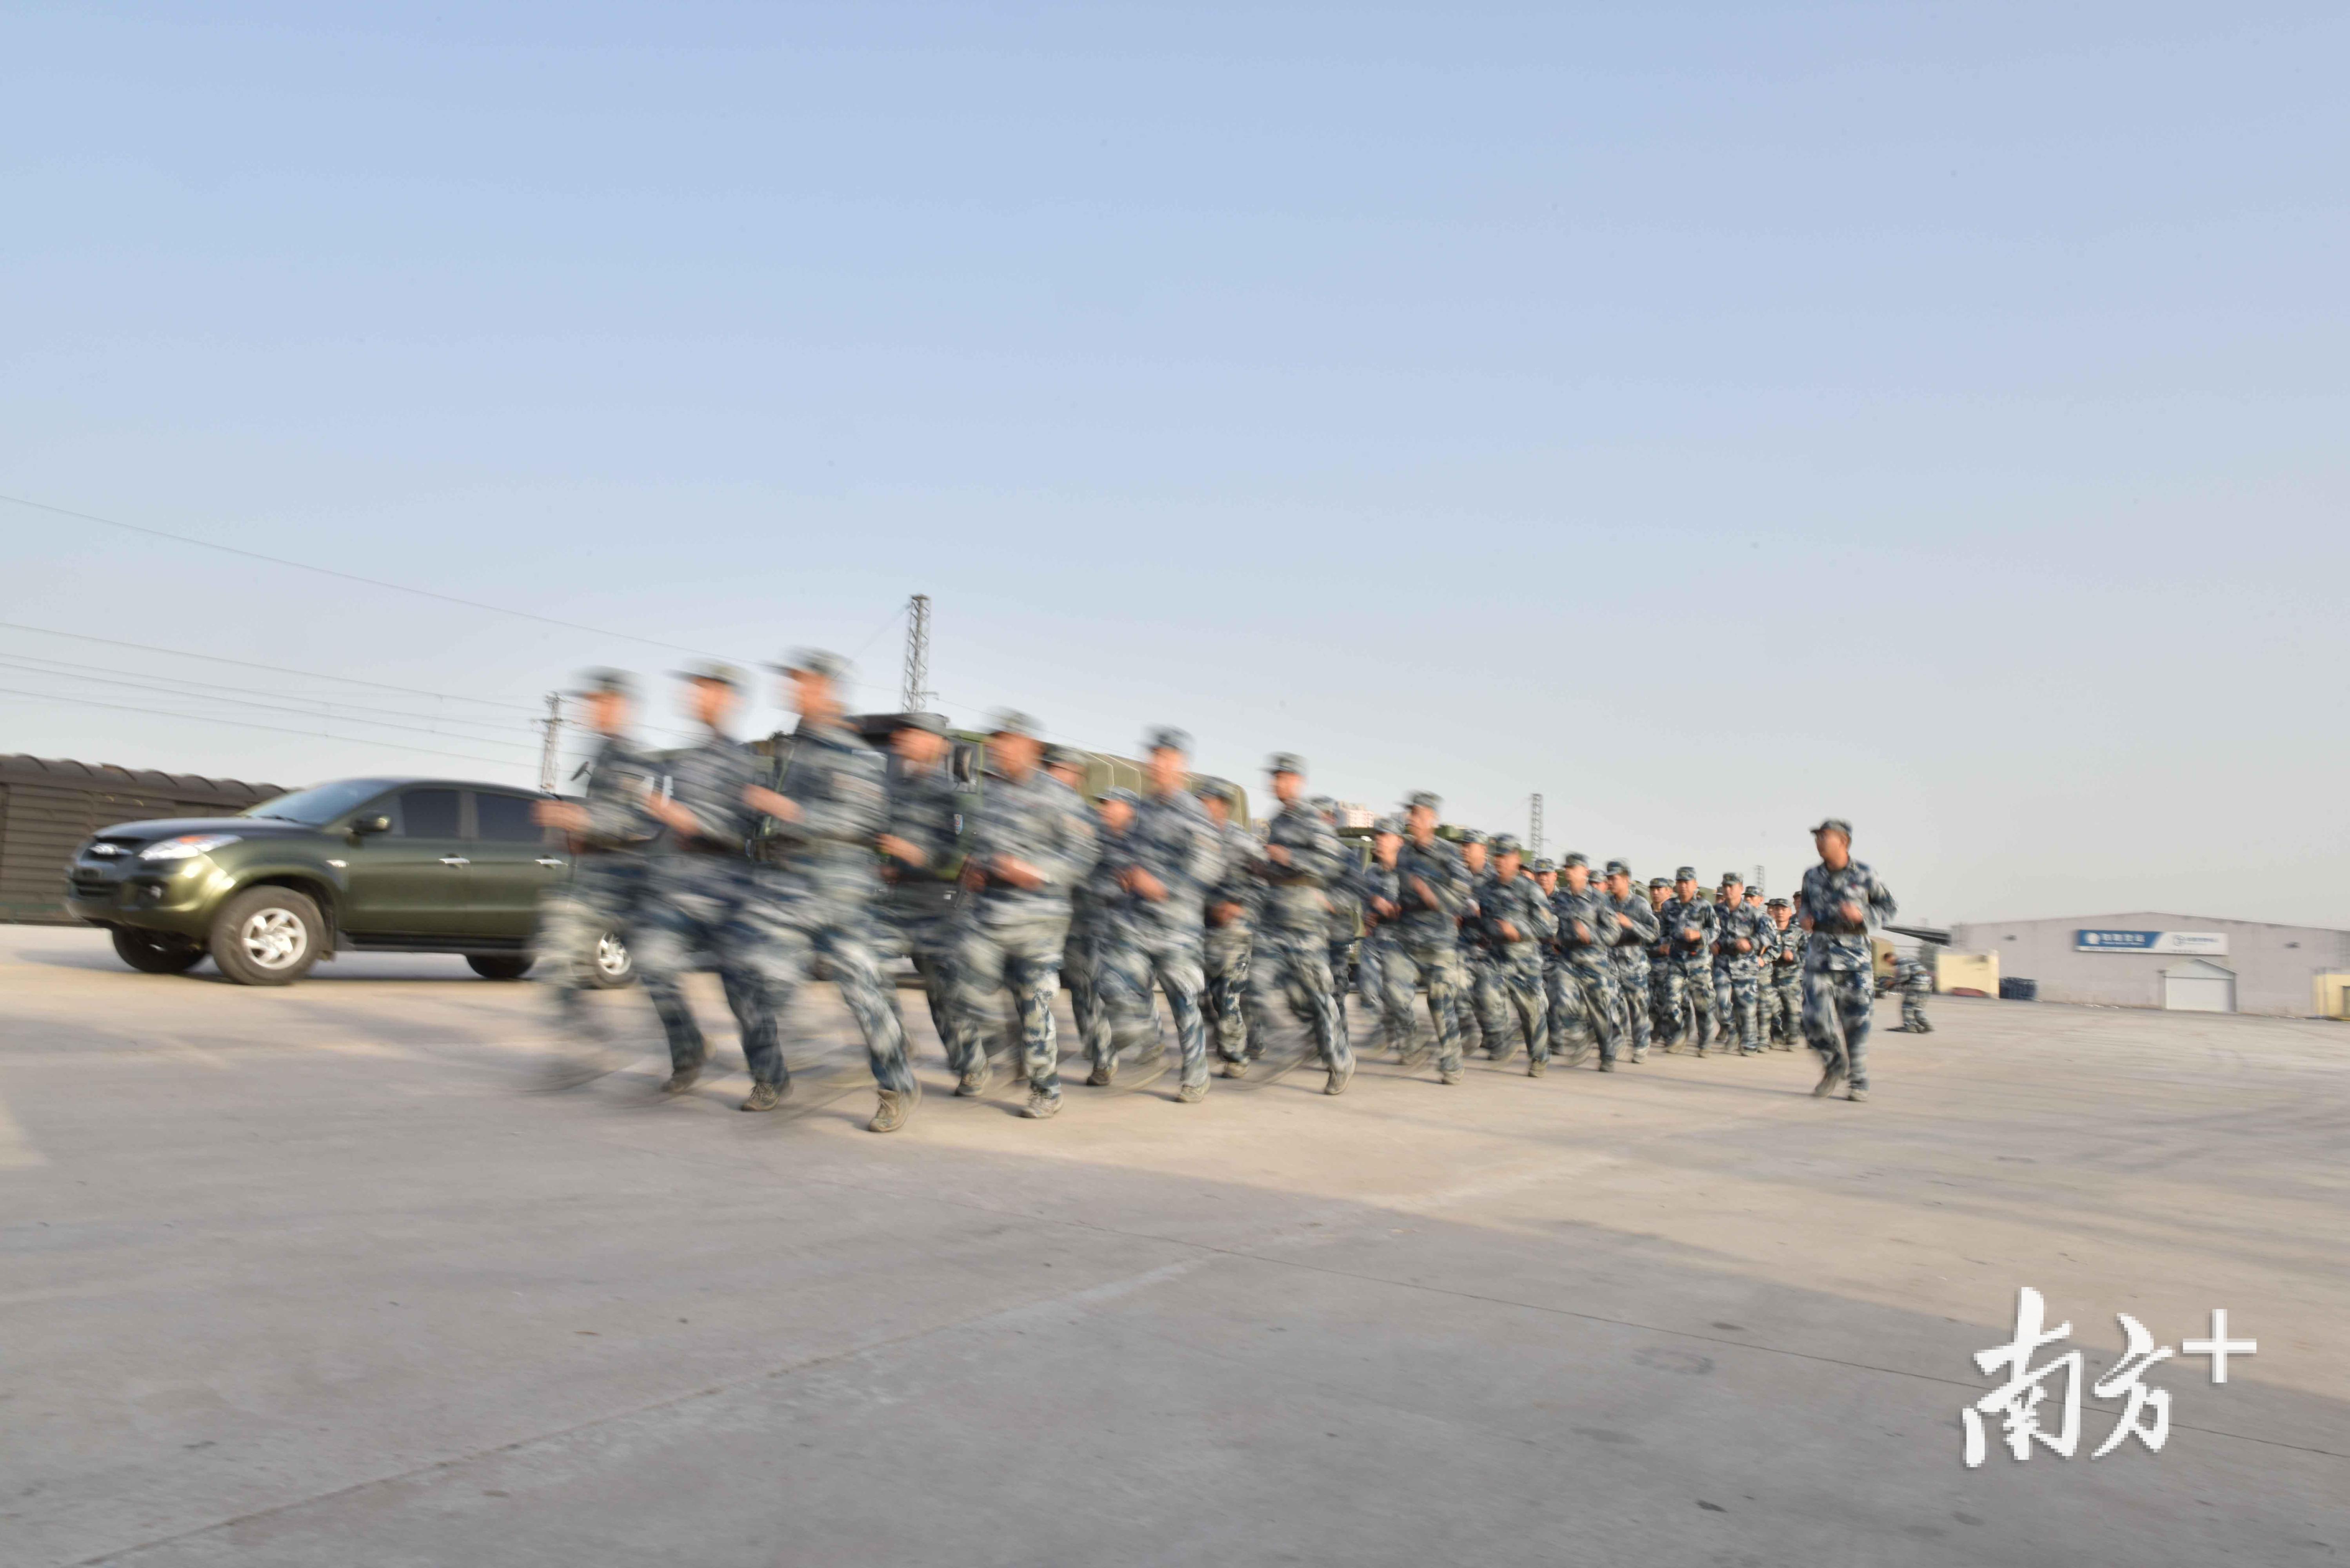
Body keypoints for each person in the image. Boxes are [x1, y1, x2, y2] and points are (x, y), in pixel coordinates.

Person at [738, 650, 919, 1132]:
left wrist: (791, 810)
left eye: (807, 684)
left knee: (863, 995)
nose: (797, 691)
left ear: (829, 690)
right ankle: (770, 1077)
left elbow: (858, 820)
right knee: (754, 981)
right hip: (790, 888)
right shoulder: (789, 751)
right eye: (795, 683)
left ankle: (896, 1085)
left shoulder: (852, 752)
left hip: (841, 892)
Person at [630, 662, 785, 1107]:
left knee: (741, 987)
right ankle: (690, 1049)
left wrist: (691, 821)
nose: (698, 699)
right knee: (653, 962)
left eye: (708, 692)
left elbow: (751, 828)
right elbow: (662, 822)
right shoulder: (685, 759)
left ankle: (770, 1076)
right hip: (682, 885)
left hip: (732, 888)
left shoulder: (747, 762)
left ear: (729, 700)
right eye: (695, 691)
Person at [954, 711, 1100, 1118]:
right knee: (964, 980)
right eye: (998, 742)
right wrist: (978, 867)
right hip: (992, 912)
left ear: (1031, 748)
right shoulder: (995, 795)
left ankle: (1045, 1088)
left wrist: (1034, 871)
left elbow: (1083, 855)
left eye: (1011, 741)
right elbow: (986, 845)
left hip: (1040, 916)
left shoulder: (1058, 796)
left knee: (1034, 1001)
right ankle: (996, 1043)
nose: (1002, 749)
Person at [532, 670, 661, 1082]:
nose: (593, 709)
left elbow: (636, 818)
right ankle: (583, 1049)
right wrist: (577, 836)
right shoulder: (599, 754)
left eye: (600, 702)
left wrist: (580, 816)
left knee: (660, 970)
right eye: (590, 702)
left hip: (632, 879)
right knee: (558, 953)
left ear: (620, 707)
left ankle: (687, 1042)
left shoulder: (633, 758)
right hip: (597, 877)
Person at [1096, 728, 1220, 1100]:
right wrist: (1126, 872)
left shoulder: (1192, 812)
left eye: (1165, 758)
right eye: (1154, 757)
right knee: (1115, 983)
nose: (1157, 765)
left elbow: (1208, 866)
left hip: (1177, 926)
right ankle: (1149, 1044)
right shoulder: (1143, 810)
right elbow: (1128, 852)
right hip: (1138, 922)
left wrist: (1163, 886)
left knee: (1183, 1000)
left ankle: (1196, 1074)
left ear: (1180, 765)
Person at [1242, 754, 1354, 1093]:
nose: (1277, 783)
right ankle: (1286, 1045)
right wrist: (1261, 868)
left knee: (1320, 997)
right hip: (1273, 922)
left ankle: (1340, 1061)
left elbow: (1330, 862)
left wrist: (1289, 858)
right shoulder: (1276, 820)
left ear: (1298, 782)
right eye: (1275, 778)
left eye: (1284, 778)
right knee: (1254, 986)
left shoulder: (1310, 818)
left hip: (1305, 925)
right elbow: (1276, 867)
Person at [878, 712, 964, 1072]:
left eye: (915, 734)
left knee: (942, 993)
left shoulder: (952, 796)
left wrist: (914, 855)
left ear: (936, 744)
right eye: (905, 734)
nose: (905, 740)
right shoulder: (896, 789)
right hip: (895, 902)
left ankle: (969, 1061)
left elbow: (957, 857)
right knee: (866, 967)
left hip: (936, 904)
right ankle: (894, 1038)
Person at [1797, 818, 1898, 1103]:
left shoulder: (1865, 874)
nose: (1818, 842)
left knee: (1856, 1023)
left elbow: (1889, 907)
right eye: (1816, 837)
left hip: (1854, 958)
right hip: (1819, 956)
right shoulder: (1811, 876)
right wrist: (1803, 917)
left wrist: (1864, 917)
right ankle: (1833, 1064)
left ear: (1842, 841)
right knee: (1813, 1019)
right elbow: (1804, 902)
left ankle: (1859, 1080)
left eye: (1823, 836)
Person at [1384, 793, 1472, 1083]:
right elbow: (1400, 888)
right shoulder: (1405, 854)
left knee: (1440, 1004)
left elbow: (1461, 895)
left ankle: (1452, 1062)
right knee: (1394, 993)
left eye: (1417, 814)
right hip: (1406, 936)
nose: (1411, 819)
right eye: (1410, 814)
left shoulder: (1448, 853)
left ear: (1431, 818)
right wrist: (1396, 905)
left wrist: (1431, 895)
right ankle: (1413, 1042)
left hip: (1439, 941)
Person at [1474, 834, 1555, 1073]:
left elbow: (1548, 927)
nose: (1500, 861)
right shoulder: (1486, 889)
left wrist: (1517, 930)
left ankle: (1539, 1057)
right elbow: (1482, 921)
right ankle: (1501, 1042)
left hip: (1525, 961)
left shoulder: (1530, 889)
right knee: (1484, 994)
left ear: (1516, 859)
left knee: (1532, 1013)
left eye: (1505, 856)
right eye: (1497, 856)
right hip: (1496, 957)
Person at [1199, 782, 1256, 1073]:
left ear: (1222, 805)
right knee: (1198, 995)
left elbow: (1261, 879)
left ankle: (1235, 1056)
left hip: (1235, 930)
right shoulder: (1196, 837)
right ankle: (1224, 1040)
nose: (1203, 807)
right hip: (1202, 929)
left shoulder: (1240, 840)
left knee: (1227, 996)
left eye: (1208, 801)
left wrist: (1238, 904)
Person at [1550, 853, 1622, 1069]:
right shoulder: (1560, 898)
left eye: (1574, 868)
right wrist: (1554, 936)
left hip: (1594, 964)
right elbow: (1552, 924)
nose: (1569, 872)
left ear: (1586, 872)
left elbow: (1613, 933)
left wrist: (1590, 935)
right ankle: (1579, 1037)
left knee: (1599, 1012)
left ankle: (1607, 1053)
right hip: (1568, 961)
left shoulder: (1599, 900)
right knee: (1560, 998)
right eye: (1567, 868)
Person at [1709, 871, 1771, 1055]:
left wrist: (1751, 943)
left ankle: (1750, 1043)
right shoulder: (1715, 911)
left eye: (1732, 886)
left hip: (1745, 964)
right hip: (1722, 963)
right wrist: (1711, 942)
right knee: (1719, 1002)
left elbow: (1769, 934)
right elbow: (1706, 930)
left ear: (1741, 889)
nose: (1728, 890)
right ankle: (1732, 1030)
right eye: (1725, 886)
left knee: (1747, 1006)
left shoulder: (1753, 913)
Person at [1606, 862, 1661, 1066]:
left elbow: (1654, 933)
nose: (1611, 882)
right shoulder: (1605, 903)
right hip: (1611, 964)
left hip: (1634, 966)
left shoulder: (1639, 904)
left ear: (1626, 879)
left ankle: (1641, 1045)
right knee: (1611, 1003)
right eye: (1609, 878)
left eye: (1615, 879)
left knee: (1638, 1009)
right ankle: (1618, 1040)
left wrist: (1631, 924)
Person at [1659, 867, 1718, 1054]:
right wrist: (1665, 943)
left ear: (1695, 885)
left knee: (1703, 1004)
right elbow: (1663, 931)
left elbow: (1715, 930)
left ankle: (1705, 1040)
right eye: (1680, 882)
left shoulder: (1704, 906)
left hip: (1699, 962)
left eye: (1687, 883)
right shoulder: (1668, 906)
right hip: (1676, 960)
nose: (1684, 886)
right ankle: (1679, 1034)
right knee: (1671, 999)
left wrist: (1699, 935)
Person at [1764, 897, 1805, 1049]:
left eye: (1783, 910)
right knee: (1770, 1007)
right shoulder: (1767, 931)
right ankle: (1776, 1034)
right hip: (1771, 976)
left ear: (1790, 912)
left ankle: (1792, 1035)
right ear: (1773, 912)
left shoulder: (1798, 932)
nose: (1780, 913)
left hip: (1791, 977)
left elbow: (1808, 953)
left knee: (1792, 1010)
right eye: (1777, 910)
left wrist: (1794, 957)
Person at [1900, 952, 1934, 1033]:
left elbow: (1904, 976)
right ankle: (1927, 1025)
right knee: (1918, 1008)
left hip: (1917, 985)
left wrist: (1899, 982)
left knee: (1907, 1007)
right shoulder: (1918, 965)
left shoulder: (1902, 962)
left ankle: (1910, 1027)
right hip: (1927, 985)